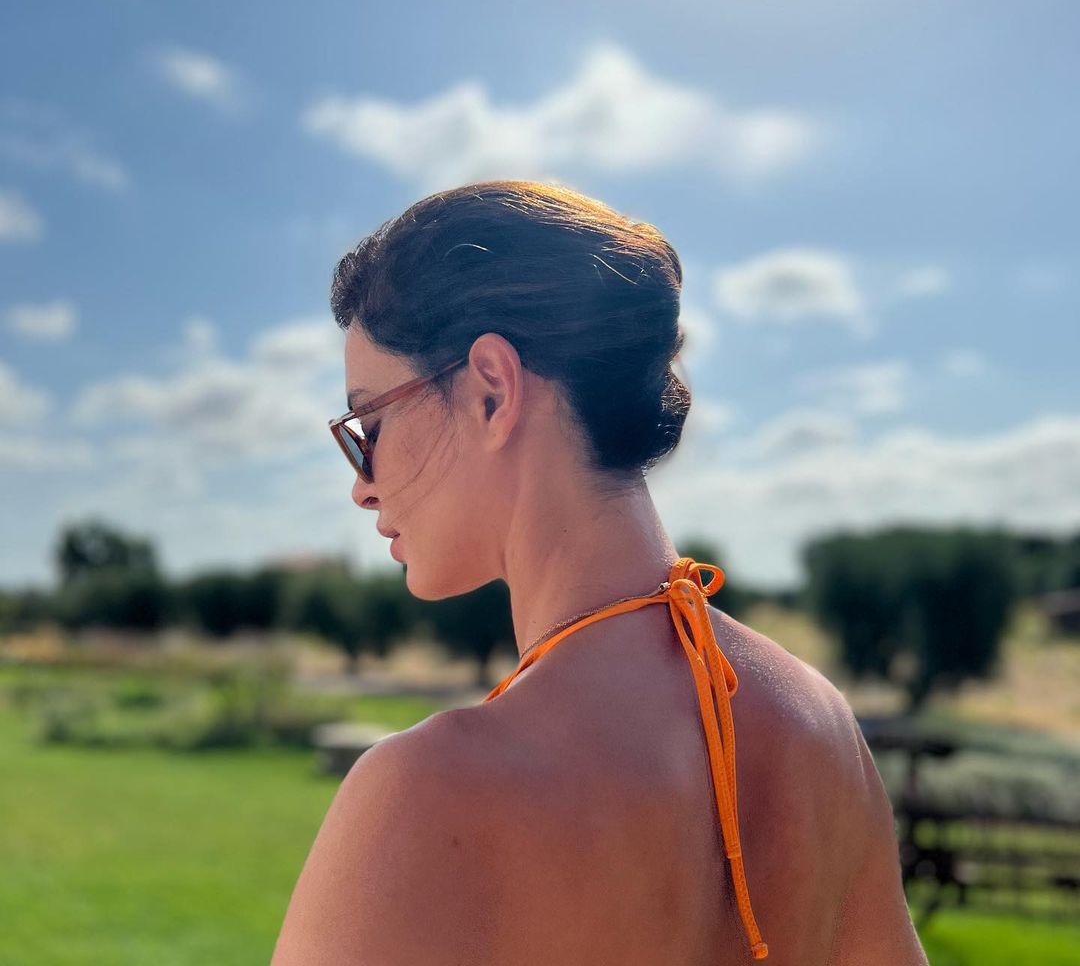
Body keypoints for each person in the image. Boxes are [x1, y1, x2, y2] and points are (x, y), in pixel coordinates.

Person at [271, 181, 929, 965]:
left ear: (491, 392)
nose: (363, 485)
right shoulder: (818, 722)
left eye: (369, 425)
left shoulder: (428, 791)